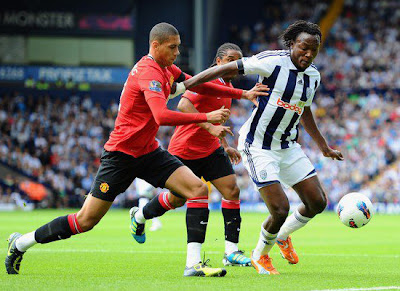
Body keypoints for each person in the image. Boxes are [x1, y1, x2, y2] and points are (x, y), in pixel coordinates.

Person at [5, 22, 269, 277]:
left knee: (197, 189)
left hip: (148, 151)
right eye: (173, 48)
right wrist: (205, 117)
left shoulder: (167, 68)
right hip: (120, 156)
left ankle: (193, 265)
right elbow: (162, 116)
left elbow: (195, 82)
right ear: (156, 46)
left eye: (178, 47)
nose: (177, 53)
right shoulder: (149, 72)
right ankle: (21, 243)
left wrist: (242, 94)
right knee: (85, 221)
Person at [173, 20, 344, 275]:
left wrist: (323, 147)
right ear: (291, 45)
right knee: (280, 208)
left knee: (317, 202)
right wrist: (185, 84)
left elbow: (305, 110)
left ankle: (283, 236)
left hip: (287, 146)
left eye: (313, 51)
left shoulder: (313, 76)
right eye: (303, 48)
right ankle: (260, 255)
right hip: (258, 146)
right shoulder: (272, 61)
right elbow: (226, 68)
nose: (308, 54)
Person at [141, 43, 252, 271]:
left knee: (232, 190)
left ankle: (231, 251)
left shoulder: (226, 87)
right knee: (177, 199)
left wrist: (225, 145)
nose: (236, 66)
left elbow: (217, 121)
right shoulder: (208, 81)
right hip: (185, 149)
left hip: (211, 150)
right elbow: (183, 103)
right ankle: (141, 215)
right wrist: (210, 129)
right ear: (219, 61)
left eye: (238, 62)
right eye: (231, 60)